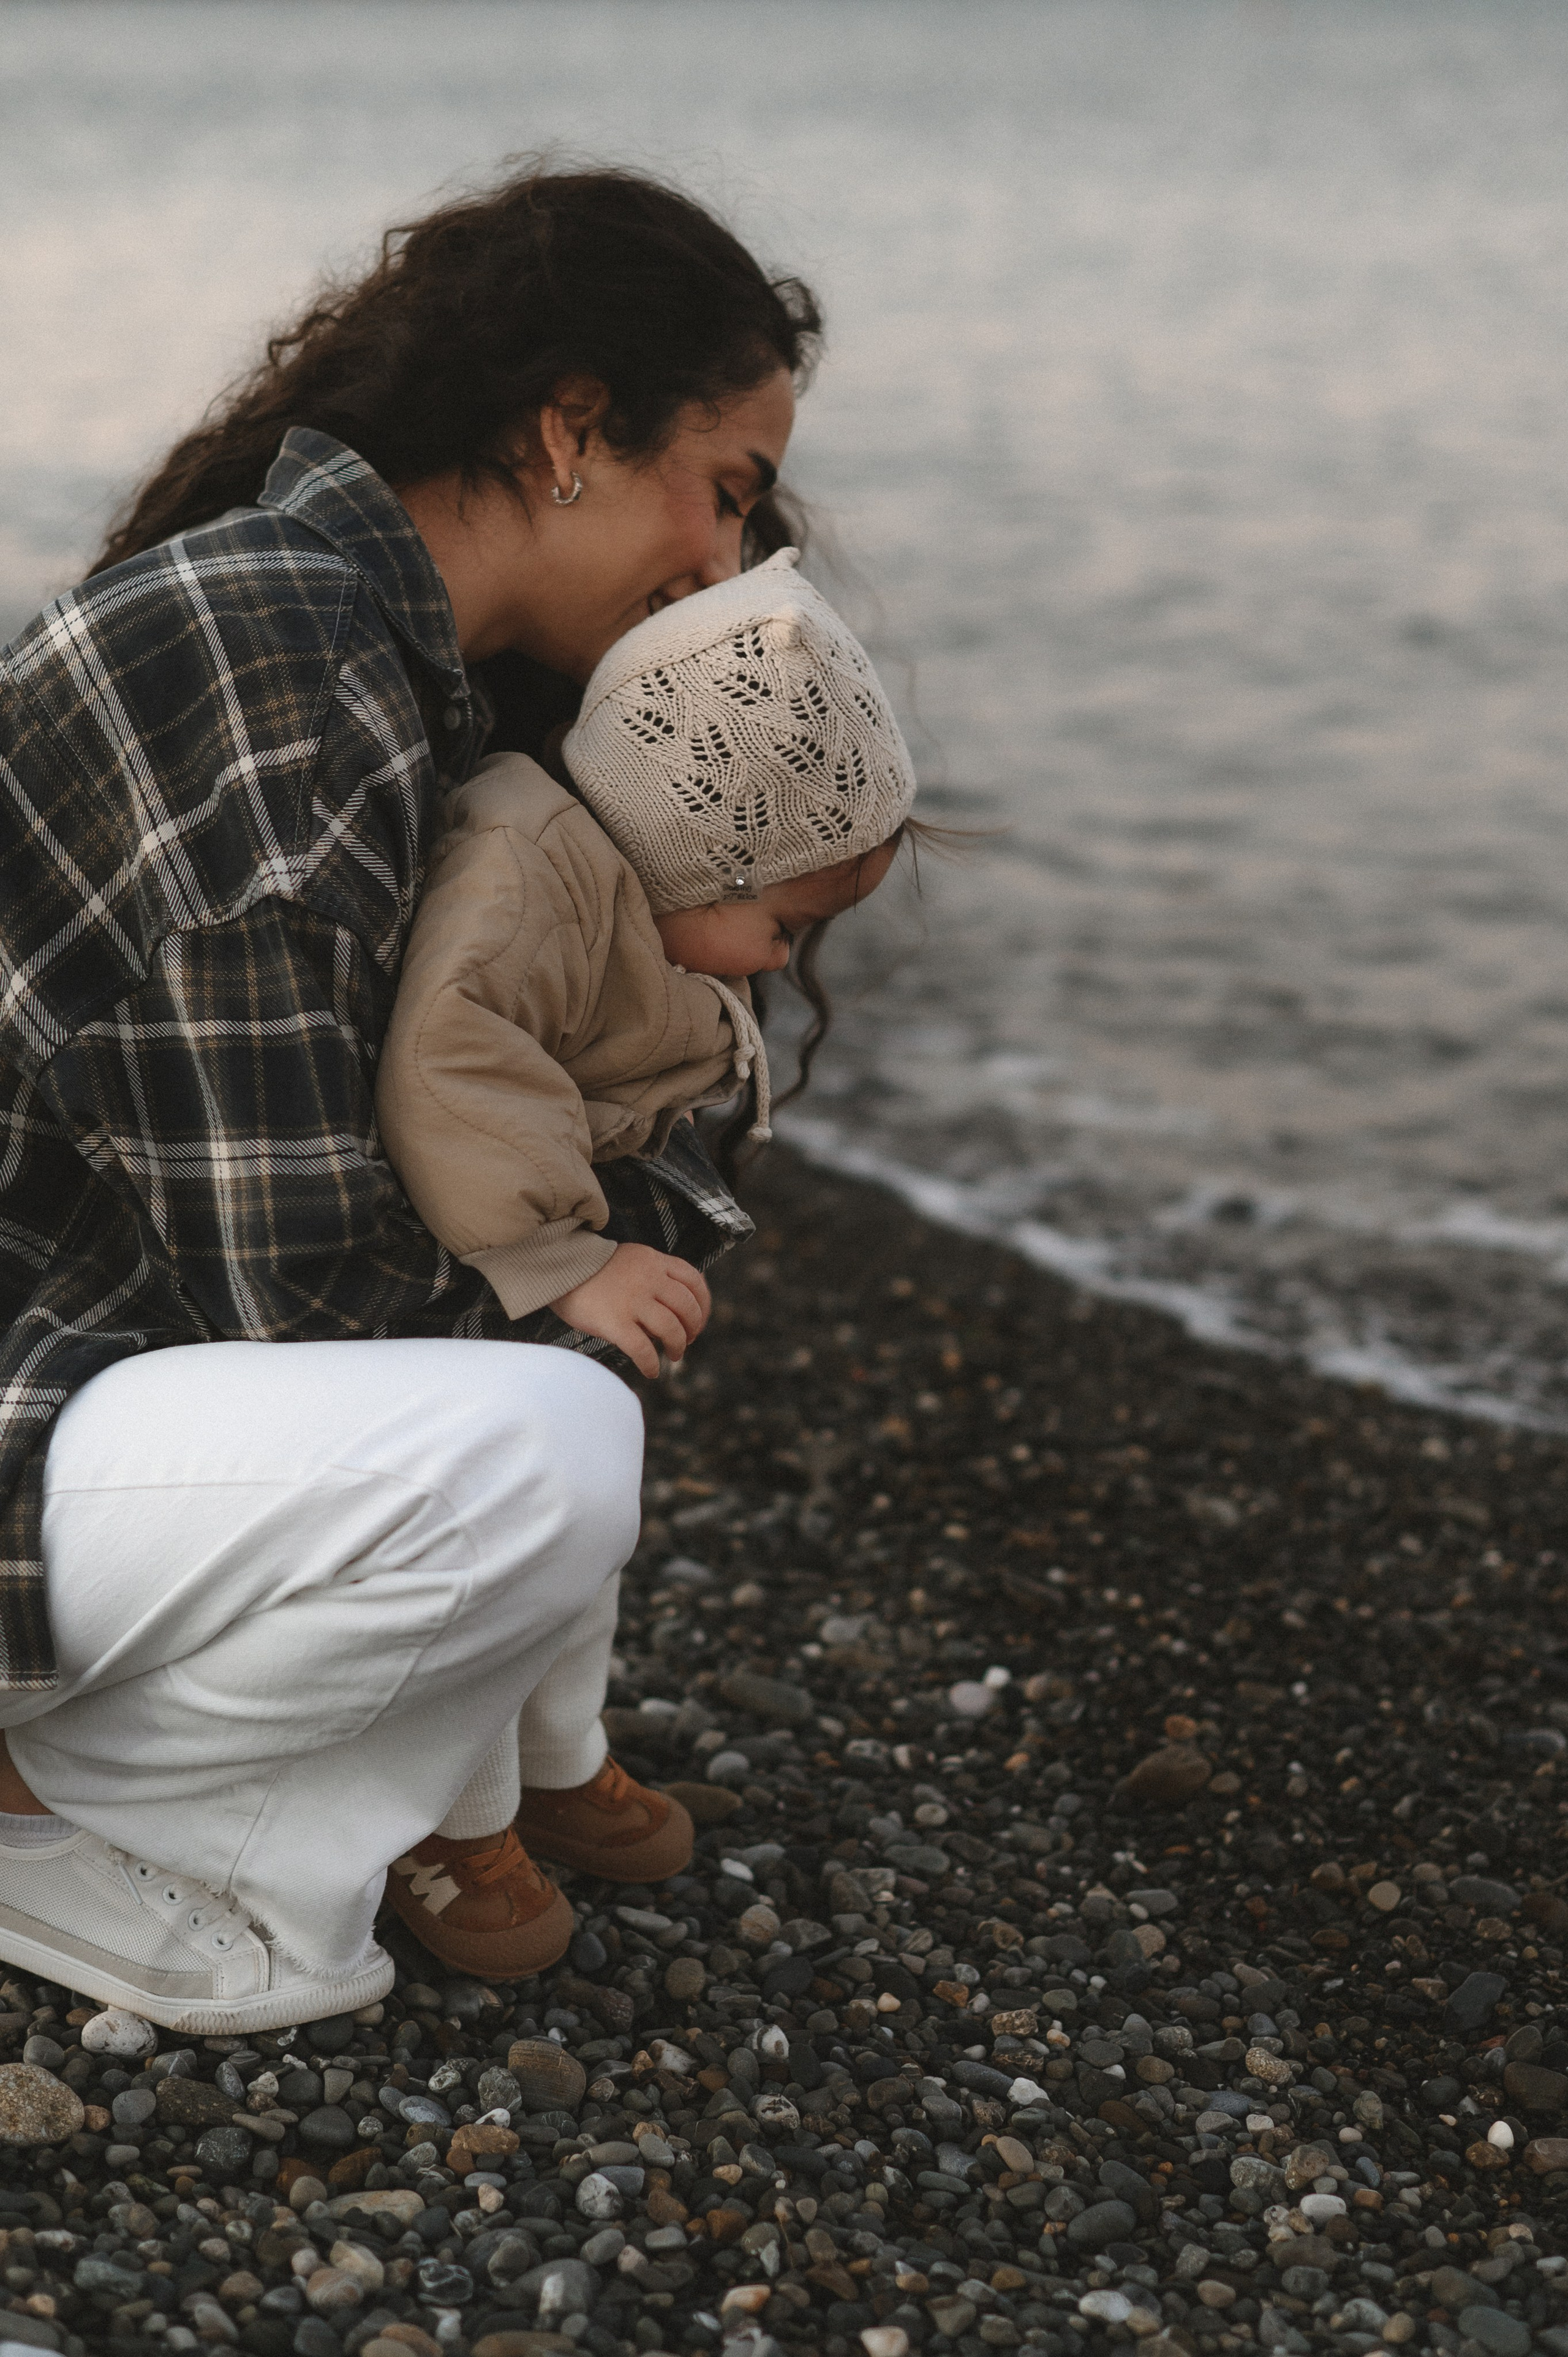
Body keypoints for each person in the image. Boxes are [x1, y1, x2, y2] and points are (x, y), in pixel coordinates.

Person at [0, 164, 821, 2028]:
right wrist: (568, 1286)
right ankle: (67, 1804)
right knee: (541, 1447)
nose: (726, 567)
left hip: (81, 1390)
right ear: (571, 430)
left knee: (546, 1403)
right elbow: (296, 1299)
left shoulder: (373, 662)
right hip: (36, 1406)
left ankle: (363, 1797)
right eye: (726, 488)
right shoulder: (278, 665)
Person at [371, 554, 915, 1969]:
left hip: (530, 1259)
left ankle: (555, 1765)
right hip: (461, 1280)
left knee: (589, 1521)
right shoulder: (530, 875)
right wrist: (563, 1256)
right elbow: (446, 1061)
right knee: (499, 1545)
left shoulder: (621, 887)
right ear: (698, 852)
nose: (775, 963)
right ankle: (443, 1817)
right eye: (782, 924)